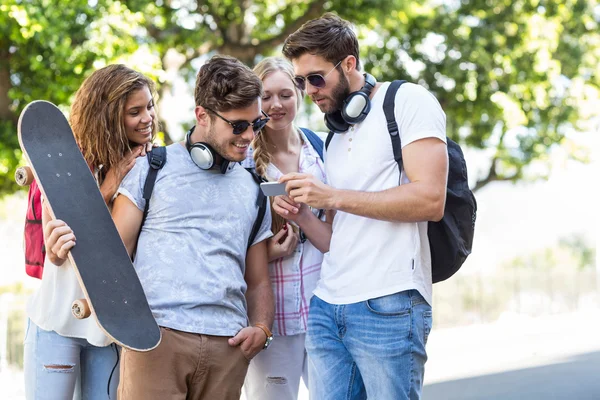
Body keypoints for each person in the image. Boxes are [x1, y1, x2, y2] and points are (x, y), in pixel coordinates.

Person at [280, 13, 449, 400]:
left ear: (349, 64)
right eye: (300, 81)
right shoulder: (335, 138)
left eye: (316, 78)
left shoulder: (406, 101)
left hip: (389, 302)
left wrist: (332, 196)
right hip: (327, 306)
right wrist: (304, 214)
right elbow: (335, 239)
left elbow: (430, 199)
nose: (308, 90)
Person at [111, 55, 275, 400]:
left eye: (255, 125)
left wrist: (262, 328)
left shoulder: (253, 189)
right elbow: (113, 254)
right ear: (202, 115)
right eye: (238, 126)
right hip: (156, 340)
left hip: (228, 348)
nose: (249, 136)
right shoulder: (152, 169)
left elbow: (258, 279)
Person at [24, 64, 157, 399]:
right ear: (108, 115)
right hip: (57, 323)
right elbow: (68, 231)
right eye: (134, 111)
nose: (148, 118)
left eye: (150, 106)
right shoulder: (64, 162)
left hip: (110, 330)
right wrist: (110, 184)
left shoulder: (149, 166)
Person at [241, 57, 332, 400]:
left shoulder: (323, 150)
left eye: (285, 95)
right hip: (271, 317)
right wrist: (268, 252)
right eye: (265, 97)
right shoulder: (243, 160)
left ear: (299, 94)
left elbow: (341, 233)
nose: (275, 105)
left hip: (325, 310)